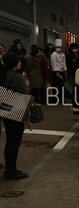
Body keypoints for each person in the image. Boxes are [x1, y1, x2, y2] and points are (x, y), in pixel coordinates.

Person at [0, 52, 30, 180]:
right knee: (15, 141)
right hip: (16, 109)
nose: (20, 63)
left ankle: (9, 168)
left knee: (9, 139)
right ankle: (11, 170)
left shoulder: (3, 74)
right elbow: (26, 91)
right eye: (18, 61)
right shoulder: (17, 77)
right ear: (14, 63)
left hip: (5, 109)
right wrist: (27, 84)